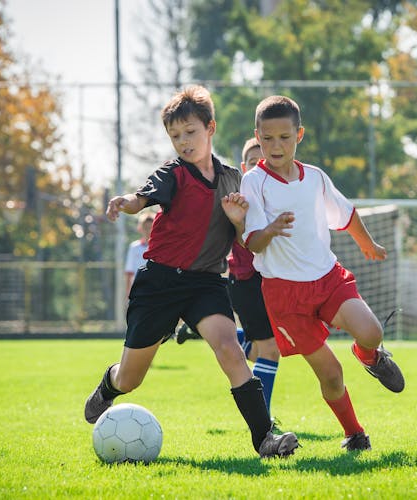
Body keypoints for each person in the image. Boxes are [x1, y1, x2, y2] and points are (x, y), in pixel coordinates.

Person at [84, 85, 299, 459]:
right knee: (131, 378)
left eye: (190, 132)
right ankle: (109, 384)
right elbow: (144, 197)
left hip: (206, 283)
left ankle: (264, 439)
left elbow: (244, 239)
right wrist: (127, 202)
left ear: (210, 128)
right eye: (175, 136)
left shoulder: (233, 179)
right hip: (160, 283)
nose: (183, 142)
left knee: (230, 348)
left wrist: (237, 220)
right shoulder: (173, 174)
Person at [240, 95, 405, 452]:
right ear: (257, 136)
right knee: (331, 375)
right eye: (267, 138)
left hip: (328, 279)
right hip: (286, 296)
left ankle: (369, 356)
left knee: (371, 332)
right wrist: (271, 228)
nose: (276, 145)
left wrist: (368, 244)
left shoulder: (314, 177)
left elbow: (346, 214)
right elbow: (252, 242)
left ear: (299, 134)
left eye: (284, 137)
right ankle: (355, 434)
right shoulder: (254, 182)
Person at [177, 138, 282, 421]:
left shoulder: (280, 193)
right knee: (270, 351)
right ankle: (265, 420)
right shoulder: (234, 197)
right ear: (243, 167)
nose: (259, 166)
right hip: (246, 281)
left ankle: (198, 329)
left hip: (273, 280)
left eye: (264, 161)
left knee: (263, 349)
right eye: (252, 162)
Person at [124, 212, 155, 297]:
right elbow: (129, 273)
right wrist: (128, 295)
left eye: (151, 227)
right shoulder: (134, 247)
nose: (148, 231)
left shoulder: (159, 248)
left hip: (155, 290)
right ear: (140, 228)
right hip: (138, 291)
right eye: (146, 228)